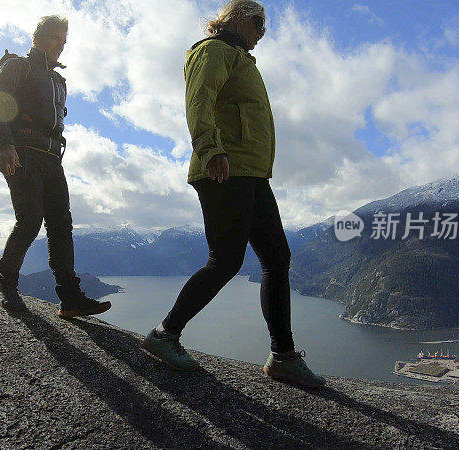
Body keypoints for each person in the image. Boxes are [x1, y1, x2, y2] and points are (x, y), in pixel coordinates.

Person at [140, 0, 325, 387]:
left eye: (265, 27)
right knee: (225, 261)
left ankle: (283, 356)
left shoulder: (241, 60)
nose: (261, 33)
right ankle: (164, 334)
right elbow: (199, 100)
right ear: (237, 18)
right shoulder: (212, 51)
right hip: (224, 168)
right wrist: (210, 149)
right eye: (258, 23)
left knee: (277, 258)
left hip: (252, 173)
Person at [0, 15, 111, 319]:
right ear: (37, 38)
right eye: (56, 38)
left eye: (64, 40)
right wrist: (5, 145)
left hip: (52, 157)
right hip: (23, 152)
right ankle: (6, 284)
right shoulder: (18, 66)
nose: (61, 45)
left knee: (60, 226)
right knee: (29, 218)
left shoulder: (57, 79)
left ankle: (70, 298)